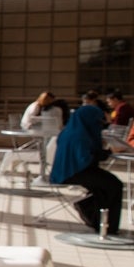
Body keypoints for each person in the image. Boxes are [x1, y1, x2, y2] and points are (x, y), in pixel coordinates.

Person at [51, 98, 124, 234]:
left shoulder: (73, 130)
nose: (99, 125)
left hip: (69, 171)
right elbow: (87, 159)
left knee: (103, 187)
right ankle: (107, 226)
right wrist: (110, 152)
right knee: (114, 185)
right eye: (98, 121)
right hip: (74, 172)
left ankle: (102, 223)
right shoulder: (79, 136)